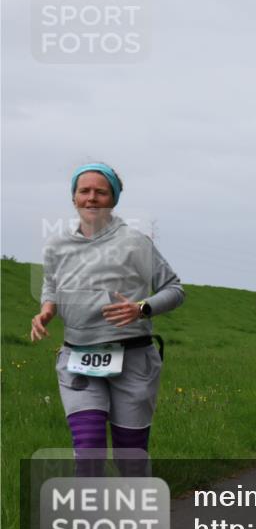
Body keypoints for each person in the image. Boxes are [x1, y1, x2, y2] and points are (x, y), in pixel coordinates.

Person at [31, 162, 185, 477]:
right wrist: (47, 310)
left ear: (113, 199)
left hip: (132, 359)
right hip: (78, 357)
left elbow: (175, 289)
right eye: (84, 191)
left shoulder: (136, 242)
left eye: (101, 192)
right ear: (73, 197)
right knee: (88, 450)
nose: (92, 198)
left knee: (130, 457)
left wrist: (142, 307)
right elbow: (51, 285)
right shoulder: (56, 245)